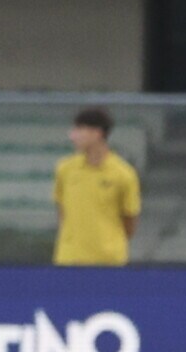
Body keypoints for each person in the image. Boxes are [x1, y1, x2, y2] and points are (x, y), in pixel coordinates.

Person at [52, 106, 139, 266]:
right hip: (69, 259)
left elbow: (129, 222)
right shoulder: (65, 168)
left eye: (79, 129)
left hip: (108, 261)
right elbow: (61, 209)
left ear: (96, 133)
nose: (72, 136)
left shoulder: (123, 174)